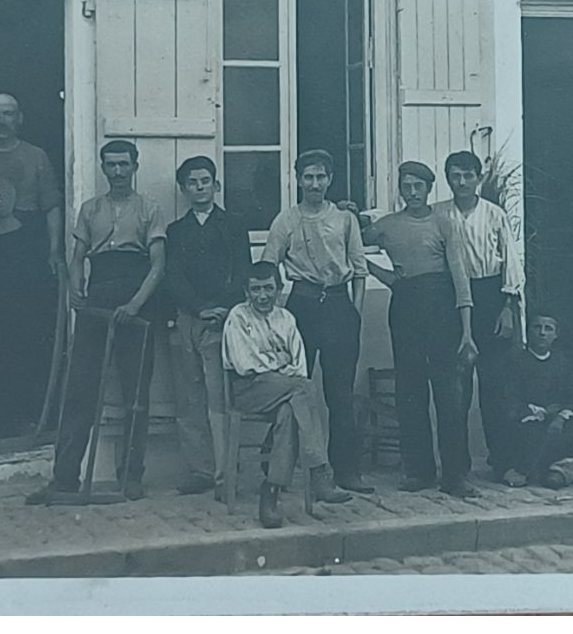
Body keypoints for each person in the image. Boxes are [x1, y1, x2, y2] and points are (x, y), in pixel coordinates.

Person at [29, 140, 169, 504]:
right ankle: (64, 478)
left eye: (124, 164)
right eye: (111, 165)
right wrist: (77, 291)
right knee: (79, 391)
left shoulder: (149, 209)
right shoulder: (91, 210)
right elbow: (78, 257)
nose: (118, 172)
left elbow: (157, 265)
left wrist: (136, 304)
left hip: (136, 302)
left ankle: (131, 477)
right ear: (104, 168)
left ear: (135, 166)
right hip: (97, 301)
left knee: (135, 395)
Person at [361, 161, 478, 497]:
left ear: (429, 189)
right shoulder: (387, 226)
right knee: (409, 390)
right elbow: (353, 243)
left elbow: (460, 278)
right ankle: (419, 471)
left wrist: (467, 330)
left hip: (442, 309)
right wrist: (384, 276)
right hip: (405, 308)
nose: (412, 193)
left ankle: (454, 475)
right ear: (399, 188)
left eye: (418, 187)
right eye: (406, 186)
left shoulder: (444, 223)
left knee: (449, 393)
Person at [262, 149, 372, 494]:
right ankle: (280, 471)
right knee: (296, 388)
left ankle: (346, 472)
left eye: (320, 177)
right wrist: (277, 314)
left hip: (339, 306)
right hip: (302, 308)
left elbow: (358, 269)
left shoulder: (344, 219)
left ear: (330, 179)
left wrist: (354, 310)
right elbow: (268, 267)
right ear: (297, 180)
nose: (314, 184)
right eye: (308, 177)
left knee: (340, 394)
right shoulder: (286, 220)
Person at [0, 94, 65, 437]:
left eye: (9, 114)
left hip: (26, 254)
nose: (2, 120)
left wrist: (52, 250)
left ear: (19, 118)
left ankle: (26, 415)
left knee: (24, 335)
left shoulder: (36, 156)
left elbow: (51, 206)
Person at [222, 262, 353, 528]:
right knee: (302, 388)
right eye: (255, 289)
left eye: (268, 288)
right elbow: (246, 363)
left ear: (279, 289)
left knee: (289, 413)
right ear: (246, 292)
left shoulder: (286, 319)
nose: (262, 295)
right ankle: (319, 470)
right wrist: (281, 368)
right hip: (249, 389)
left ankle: (270, 493)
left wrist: (280, 370)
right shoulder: (238, 317)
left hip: (283, 390)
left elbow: (300, 364)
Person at [164, 155, 252, 497]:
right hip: (188, 318)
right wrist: (199, 308)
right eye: (192, 183)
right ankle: (199, 469)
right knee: (189, 398)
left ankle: (223, 471)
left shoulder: (233, 225)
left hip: (222, 321)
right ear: (183, 189)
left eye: (205, 181)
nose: (199, 188)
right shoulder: (176, 231)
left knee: (220, 399)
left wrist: (221, 308)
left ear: (215, 185)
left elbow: (242, 270)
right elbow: (173, 276)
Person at [435, 151, 524, 475]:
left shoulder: (494, 214)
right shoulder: (438, 215)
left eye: (467, 176)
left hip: (490, 297)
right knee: (456, 389)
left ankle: (503, 462)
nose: (461, 182)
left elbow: (511, 262)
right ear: (448, 179)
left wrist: (508, 308)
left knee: (497, 387)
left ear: (478, 178)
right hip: (451, 301)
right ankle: (456, 468)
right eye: (455, 176)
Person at [501, 314, 573, 490]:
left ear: (555, 335)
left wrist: (561, 415)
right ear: (528, 331)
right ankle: (562, 471)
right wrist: (535, 412)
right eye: (537, 327)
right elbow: (508, 398)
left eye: (548, 329)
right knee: (530, 433)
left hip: (558, 418)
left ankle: (561, 471)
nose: (542, 333)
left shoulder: (560, 361)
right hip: (531, 420)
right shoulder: (515, 362)